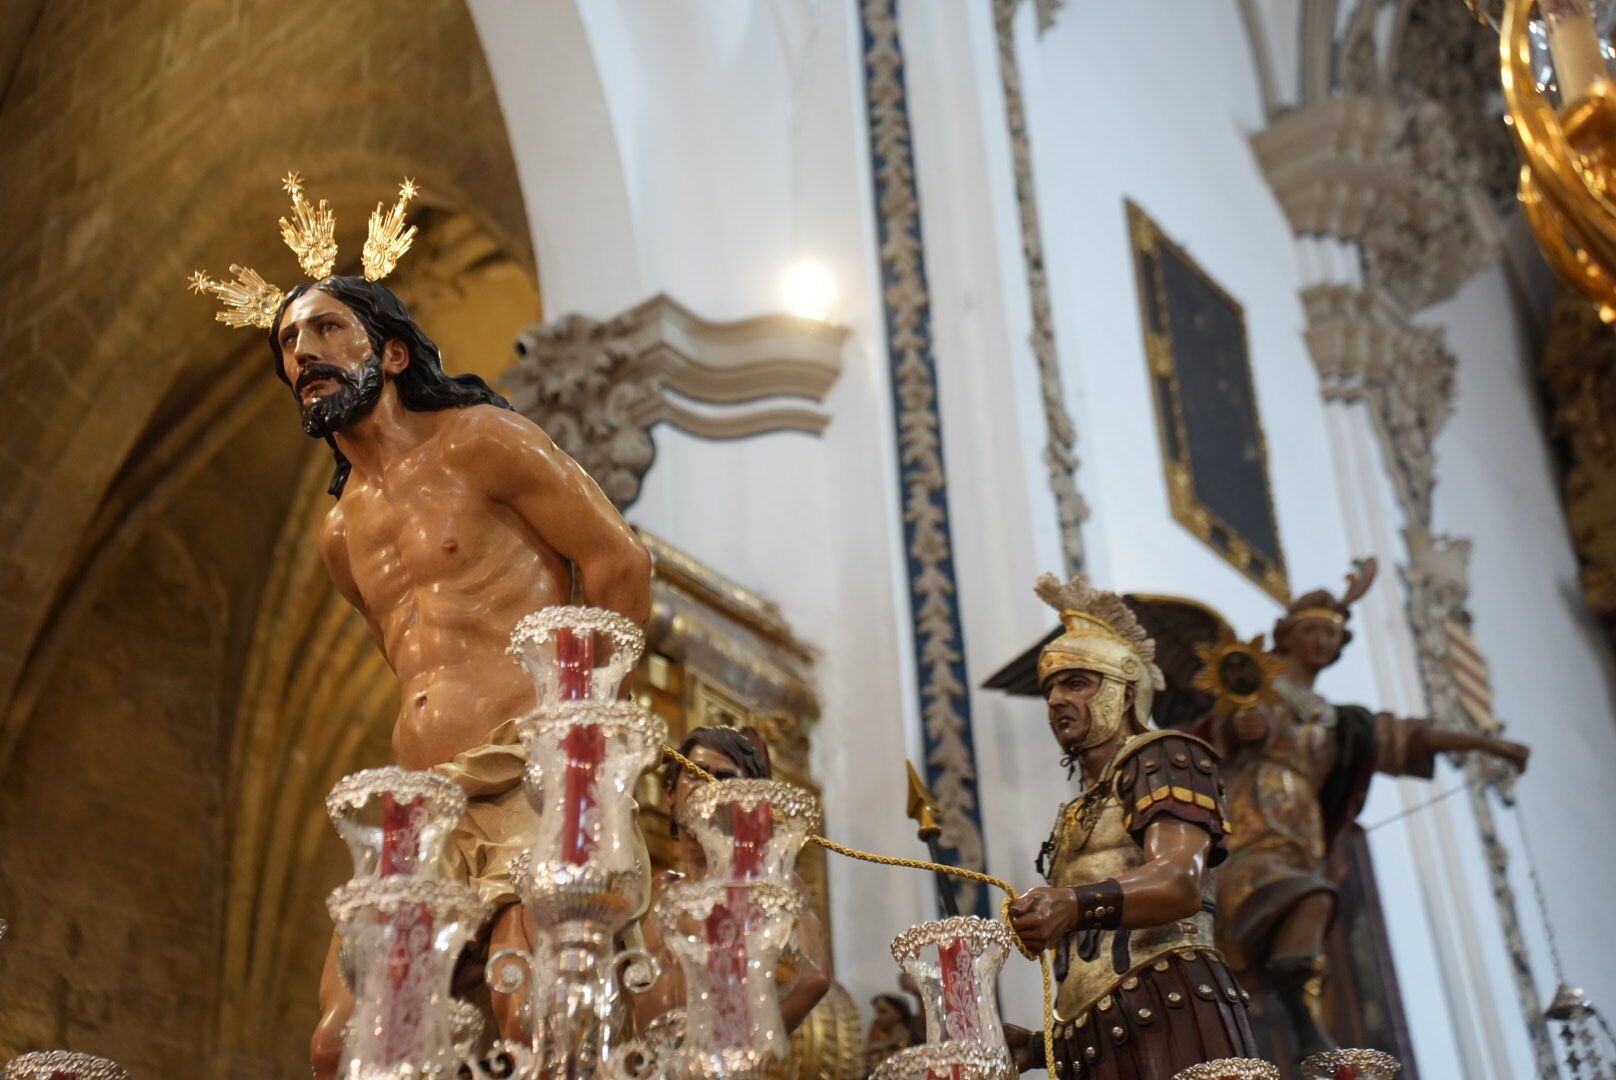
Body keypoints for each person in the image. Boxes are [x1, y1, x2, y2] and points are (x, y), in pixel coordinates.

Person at [268, 276, 654, 1078]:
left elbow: (620, 560)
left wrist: (581, 738)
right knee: (341, 1045)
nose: (303, 352)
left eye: (328, 329)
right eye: (289, 343)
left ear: (394, 352)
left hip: (528, 774)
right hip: (423, 799)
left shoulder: (482, 441)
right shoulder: (340, 535)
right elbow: (408, 656)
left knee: (530, 1006)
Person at [1202, 559, 1529, 1058]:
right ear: (1285, 636)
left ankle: (1287, 1004)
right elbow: (1204, 740)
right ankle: (1280, 1010)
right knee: (1278, 900)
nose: (1320, 642)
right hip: (1247, 816)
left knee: (1308, 900)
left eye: (1330, 635)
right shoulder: (1254, 689)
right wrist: (1233, 730)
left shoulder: (1340, 721)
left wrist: (1490, 746)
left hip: (1300, 830)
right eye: (1310, 631)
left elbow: (1408, 736)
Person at [1003, 573, 1257, 1078]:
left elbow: (1177, 882)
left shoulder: (1167, 755)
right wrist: (1039, 1046)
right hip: (1090, 1035)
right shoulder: (1075, 812)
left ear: (1124, 693)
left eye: (1076, 682)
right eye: (1050, 687)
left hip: (1172, 1002)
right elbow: (1093, 962)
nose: (1055, 701)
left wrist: (1071, 904)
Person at [634, 726, 831, 1034]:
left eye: (725, 780)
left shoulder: (768, 883)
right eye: (695, 773)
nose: (707, 788)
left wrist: (742, 1044)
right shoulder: (655, 892)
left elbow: (812, 976)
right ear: (670, 792)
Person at [863, 994, 916, 1075]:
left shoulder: (911, 1032)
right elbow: (867, 1048)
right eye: (876, 1011)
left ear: (899, 1014)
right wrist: (889, 1041)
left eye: (883, 1012)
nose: (878, 1016)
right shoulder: (877, 1025)